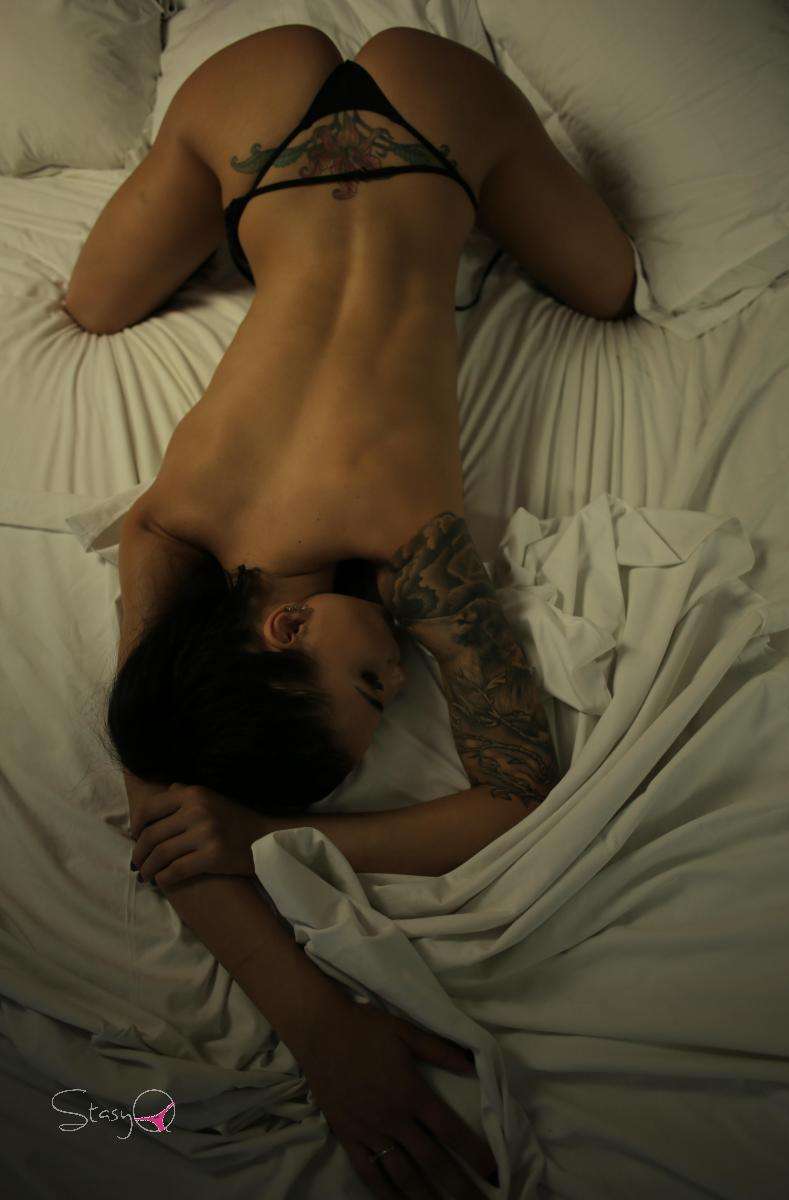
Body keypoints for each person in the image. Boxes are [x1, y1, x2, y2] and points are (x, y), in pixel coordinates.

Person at [65, 25, 635, 1197]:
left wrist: (273, 845)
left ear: (283, 631)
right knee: (95, 307)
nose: (399, 672)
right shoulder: (172, 523)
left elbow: (512, 790)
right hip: (259, 101)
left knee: (614, 288)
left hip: (440, 119)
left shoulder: (413, 546)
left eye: (368, 681)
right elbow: (156, 752)